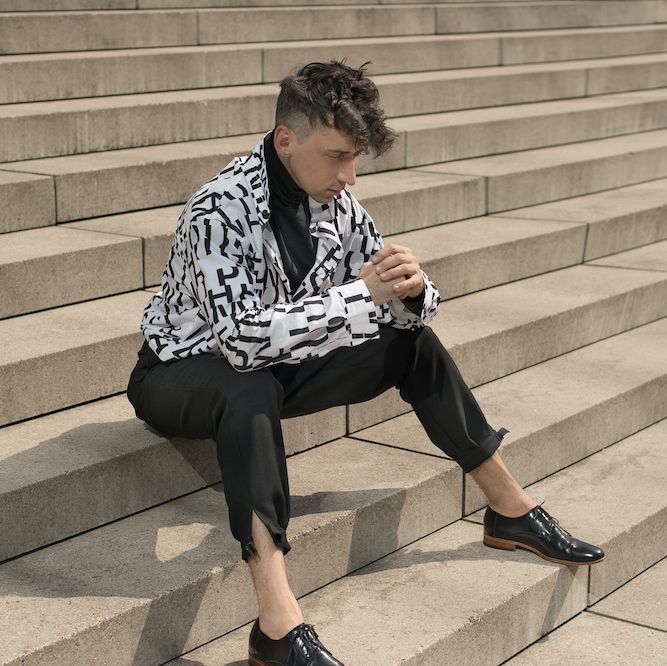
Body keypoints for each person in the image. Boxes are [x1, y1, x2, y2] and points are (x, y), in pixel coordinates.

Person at [127, 61, 604, 666]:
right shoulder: (218, 210)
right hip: (180, 372)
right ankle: (276, 624)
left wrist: (412, 288)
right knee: (247, 389)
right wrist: (361, 295)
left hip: (277, 365)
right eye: (337, 156)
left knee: (411, 345)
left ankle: (509, 509)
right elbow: (243, 342)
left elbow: (394, 306)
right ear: (285, 140)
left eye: (354, 159)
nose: (349, 176)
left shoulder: (338, 203)